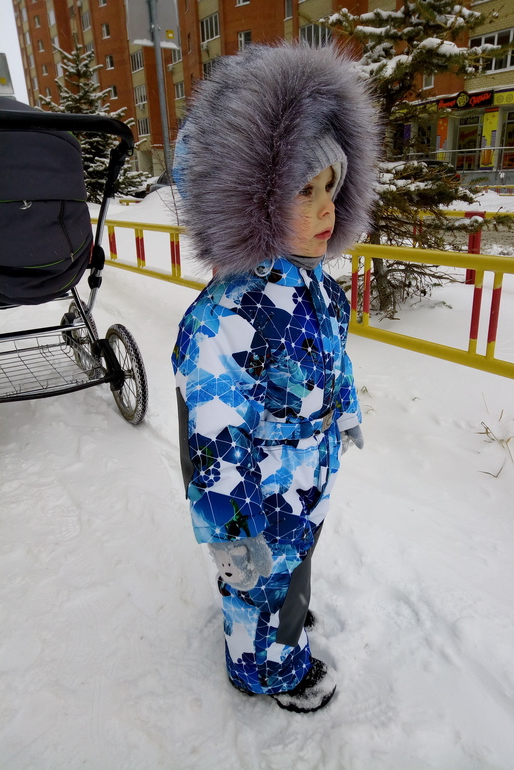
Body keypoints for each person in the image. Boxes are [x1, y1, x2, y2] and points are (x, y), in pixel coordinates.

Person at [172, 42, 379, 713]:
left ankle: (284, 621)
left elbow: (335, 359)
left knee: (294, 563)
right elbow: (211, 441)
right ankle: (262, 670)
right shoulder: (221, 319)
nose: (326, 211)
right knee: (255, 586)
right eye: (303, 191)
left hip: (310, 472)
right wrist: (232, 530)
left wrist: (345, 412)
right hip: (256, 492)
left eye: (331, 189)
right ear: (249, 200)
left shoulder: (319, 289)